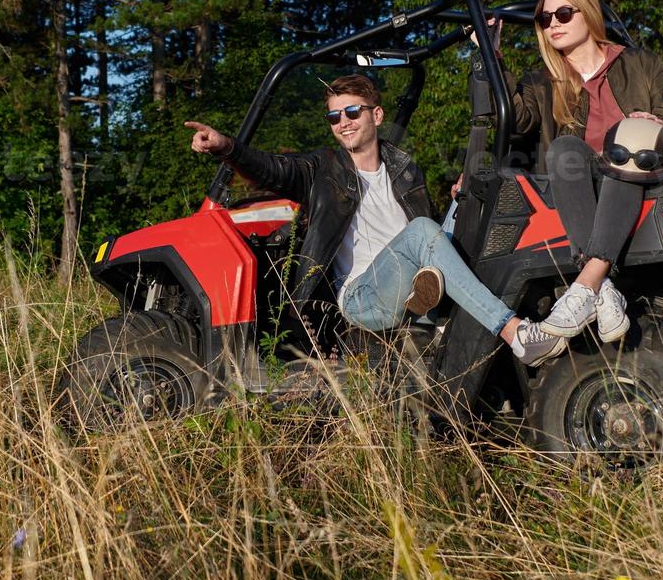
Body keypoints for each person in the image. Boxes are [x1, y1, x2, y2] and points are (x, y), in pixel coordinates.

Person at [184, 74, 567, 366]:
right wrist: (226, 147)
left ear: (376, 115)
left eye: (352, 112)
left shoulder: (404, 168)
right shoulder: (321, 170)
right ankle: (514, 331)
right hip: (362, 297)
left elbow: (430, 229)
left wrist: (460, 201)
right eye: (334, 116)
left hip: (405, 275)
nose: (343, 122)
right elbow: (272, 170)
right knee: (420, 233)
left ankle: (434, 294)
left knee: (467, 197)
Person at [501, 0, 663, 341]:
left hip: (647, 179)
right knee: (563, 149)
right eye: (544, 18)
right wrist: (487, 59)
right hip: (585, 189)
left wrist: (660, 128)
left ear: (588, 15)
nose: (552, 23)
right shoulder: (543, 82)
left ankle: (585, 283)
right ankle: (601, 291)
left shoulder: (640, 63)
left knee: (627, 138)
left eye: (563, 13)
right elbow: (510, 121)